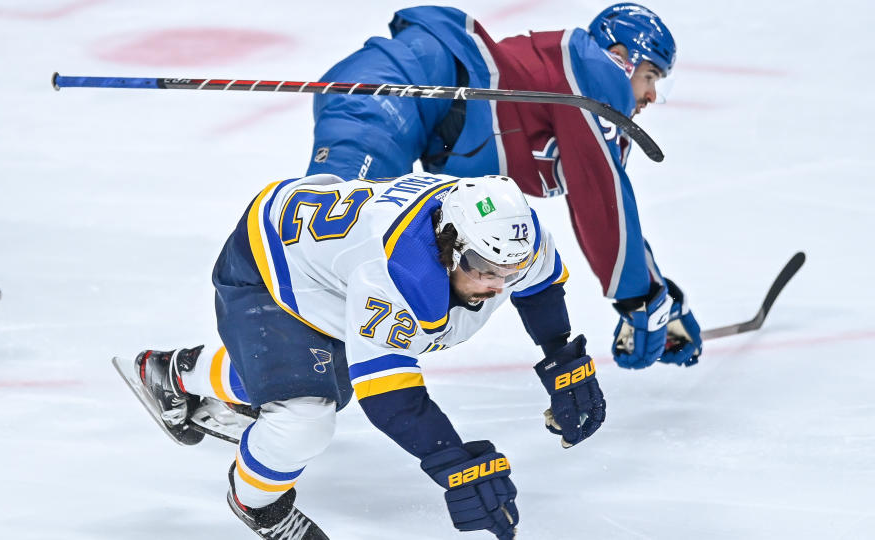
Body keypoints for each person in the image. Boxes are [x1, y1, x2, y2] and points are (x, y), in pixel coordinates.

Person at [130, 173, 606, 540]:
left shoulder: (508, 231)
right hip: (271, 262)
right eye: (484, 269)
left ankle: (174, 373)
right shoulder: (399, 273)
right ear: (449, 245)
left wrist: (563, 359)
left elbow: (540, 286)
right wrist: (455, 467)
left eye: (511, 270)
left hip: (332, 260)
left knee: (318, 376)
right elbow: (391, 399)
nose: (498, 285)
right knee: (305, 417)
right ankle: (257, 504)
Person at [304, 3, 702, 370]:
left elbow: (607, 196)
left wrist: (656, 293)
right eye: (650, 75)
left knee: (345, 248)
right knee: (336, 245)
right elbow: (601, 194)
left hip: (395, 101)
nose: (651, 94)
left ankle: (279, 371)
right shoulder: (598, 70)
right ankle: (267, 376)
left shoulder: (581, 89)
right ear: (620, 57)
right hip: (387, 93)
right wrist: (642, 298)